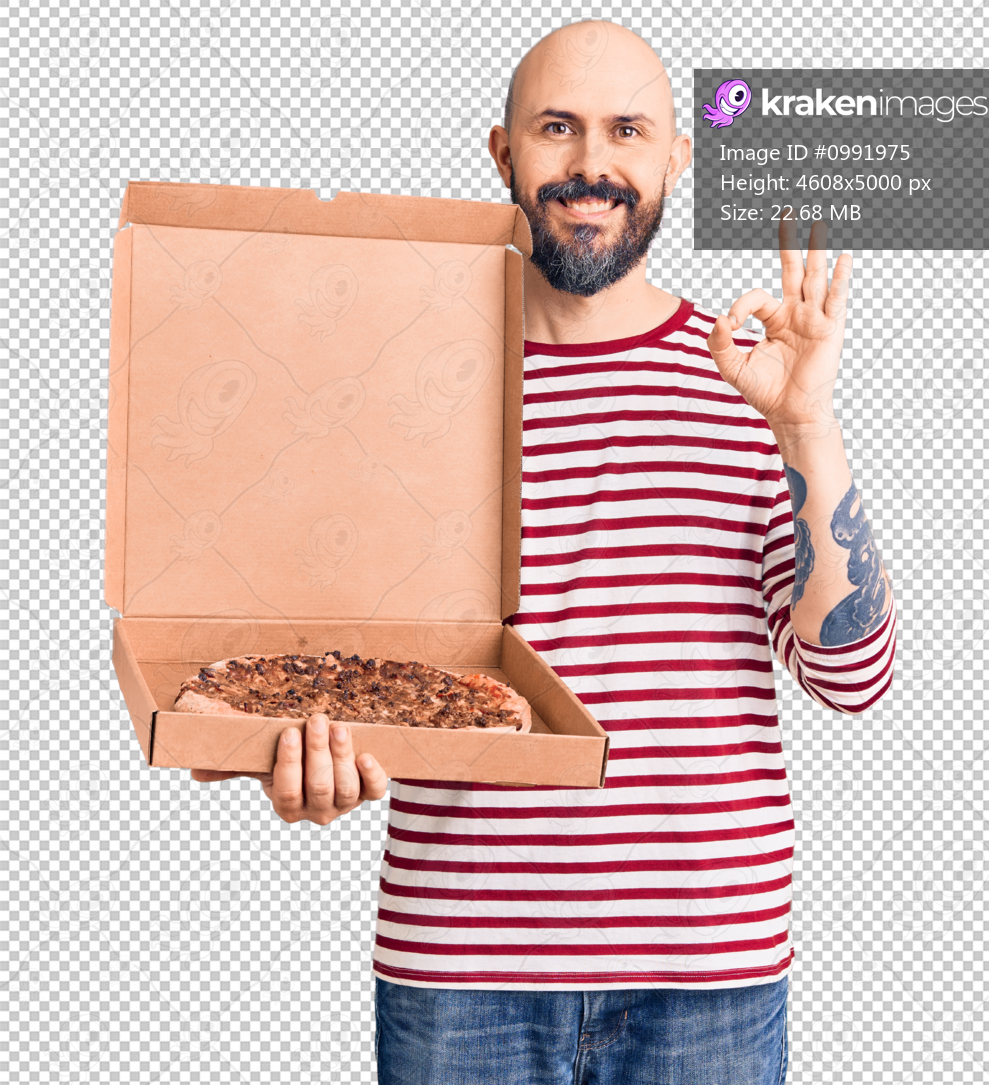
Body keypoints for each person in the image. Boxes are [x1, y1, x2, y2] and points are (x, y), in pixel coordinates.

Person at [193, 19, 897, 1084]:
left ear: (678, 157)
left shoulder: (751, 384)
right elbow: (334, 656)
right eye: (557, 128)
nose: (591, 165)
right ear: (504, 153)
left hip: (706, 969)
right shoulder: (401, 385)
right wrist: (300, 759)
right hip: (459, 966)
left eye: (628, 131)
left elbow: (852, 675)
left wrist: (806, 425)